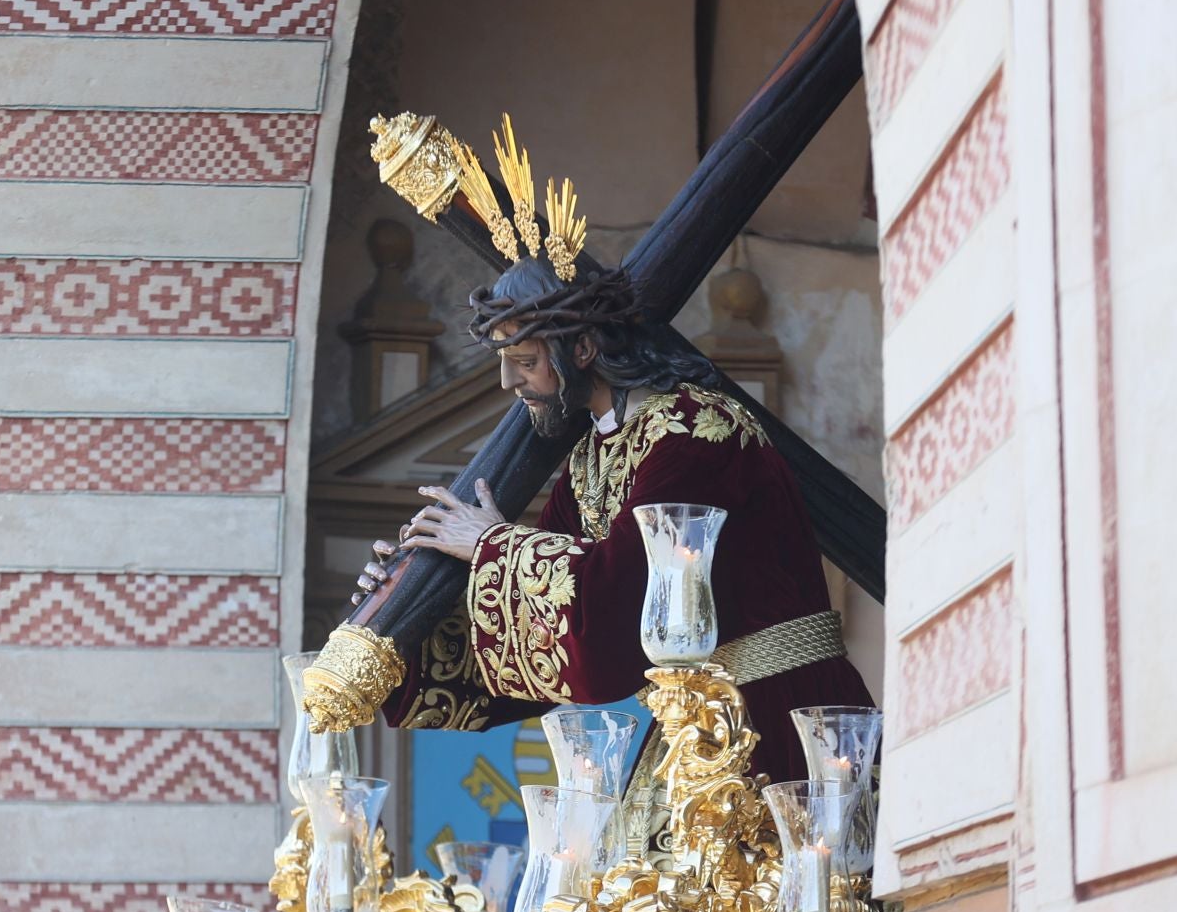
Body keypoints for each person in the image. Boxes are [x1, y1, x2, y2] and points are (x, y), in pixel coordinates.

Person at [351, 251, 872, 785]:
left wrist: (490, 545)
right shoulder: (592, 457)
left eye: (526, 362)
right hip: (689, 723)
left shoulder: (693, 431)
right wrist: (407, 610)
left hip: (778, 719)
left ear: (581, 348)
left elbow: (616, 607)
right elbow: (539, 631)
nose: (508, 380)